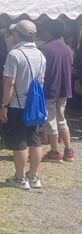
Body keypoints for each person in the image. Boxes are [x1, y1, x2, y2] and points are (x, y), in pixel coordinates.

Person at [0, 19, 46, 190]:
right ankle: (33, 176)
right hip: (34, 105)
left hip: (17, 103)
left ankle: (20, 178)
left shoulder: (14, 54)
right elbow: (41, 81)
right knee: (34, 140)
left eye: (13, 33)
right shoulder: (41, 55)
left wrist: (3, 105)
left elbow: (10, 82)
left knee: (19, 141)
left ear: (18, 35)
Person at [39, 20, 75, 162]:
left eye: (43, 30)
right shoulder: (67, 48)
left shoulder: (44, 49)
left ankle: (54, 152)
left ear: (49, 31)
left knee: (50, 121)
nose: (41, 33)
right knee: (62, 119)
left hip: (49, 88)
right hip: (64, 88)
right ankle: (68, 150)